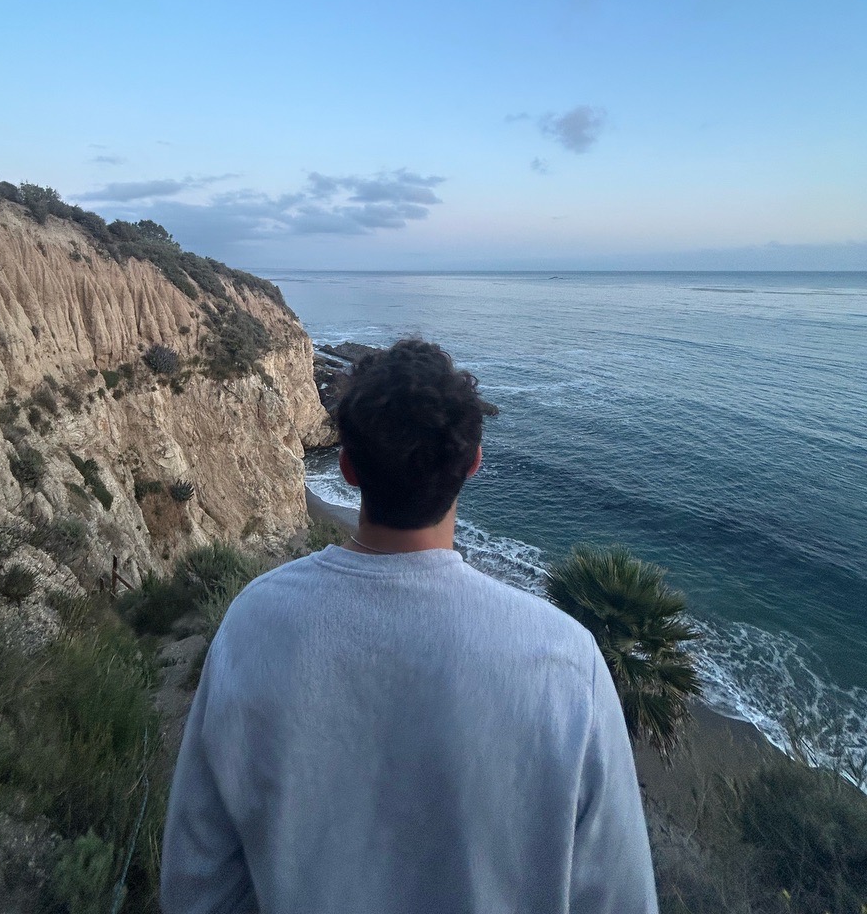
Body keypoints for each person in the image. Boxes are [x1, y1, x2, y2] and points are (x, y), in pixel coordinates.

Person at [161, 338, 658, 913]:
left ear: (347, 466)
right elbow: (621, 898)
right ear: (472, 463)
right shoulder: (567, 661)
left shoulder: (253, 623)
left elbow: (196, 885)